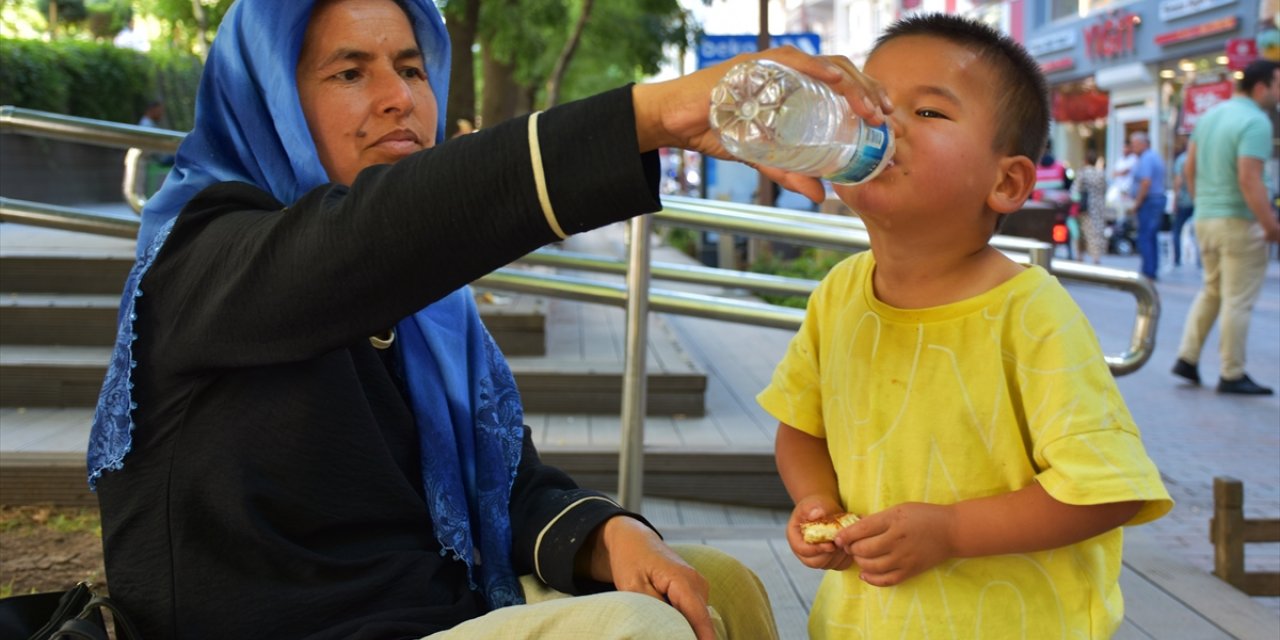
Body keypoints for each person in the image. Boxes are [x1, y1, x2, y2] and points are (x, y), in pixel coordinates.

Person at [87, 0, 891, 637]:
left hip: (433, 608)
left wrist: (608, 537)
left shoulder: (426, 306)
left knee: (719, 588)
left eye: (411, 67)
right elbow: (366, 238)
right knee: (637, 631)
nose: (398, 98)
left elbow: (501, 489)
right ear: (269, 94)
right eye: (349, 73)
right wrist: (652, 115)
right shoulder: (204, 257)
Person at [755, 14, 1172, 638]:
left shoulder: (1031, 312)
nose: (885, 123)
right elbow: (801, 429)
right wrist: (818, 504)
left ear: (1006, 181)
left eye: (928, 113)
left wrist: (950, 532)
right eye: (873, 102)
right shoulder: (839, 294)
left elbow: (1108, 489)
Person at [1172, 60, 1280, 396]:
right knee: (1238, 300)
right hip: (1238, 221)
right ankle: (1231, 373)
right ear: (1261, 87)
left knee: (1212, 290)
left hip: (1206, 218)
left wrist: (1202, 202)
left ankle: (1187, 358)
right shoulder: (1255, 122)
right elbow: (1249, 178)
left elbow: (1189, 168)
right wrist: (1270, 225)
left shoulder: (1210, 117)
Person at [1128, 130, 1167, 280]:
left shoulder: (1146, 159)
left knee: (1146, 236)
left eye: (1134, 145)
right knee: (1151, 236)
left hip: (1149, 201)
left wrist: (1137, 203)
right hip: (1155, 200)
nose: (1133, 148)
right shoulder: (1153, 157)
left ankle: (1148, 272)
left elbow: (1145, 182)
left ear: (1143, 144)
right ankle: (1151, 269)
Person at [1071, 148, 1108, 264]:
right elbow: (1105, 189)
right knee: (1096, 232)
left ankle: (1079, 255)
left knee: (1082, 231)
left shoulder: (1082, 172)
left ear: (1086, 160)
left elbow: (1075, 191)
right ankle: (1096, 257)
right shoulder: (1100, 173)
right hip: (1098, 206)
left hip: (1085, 206)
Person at [1170, 135, 1194, 267]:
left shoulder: (1182, 160)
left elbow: (1178, 181)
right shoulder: (1202, 159)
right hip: (1199, 200)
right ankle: (1200, 261)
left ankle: (1177, 259)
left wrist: (1175, 200)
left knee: (1177, 230)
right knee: (1198, 232)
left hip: (1185, 200)